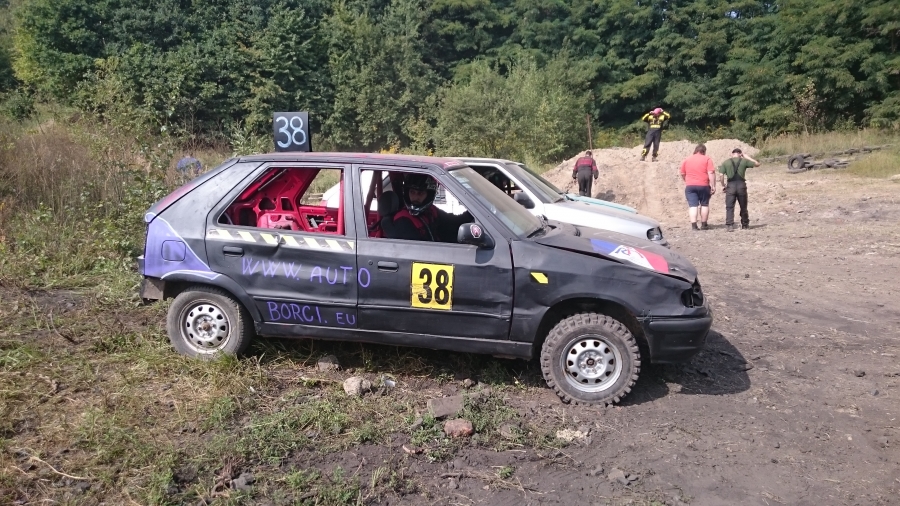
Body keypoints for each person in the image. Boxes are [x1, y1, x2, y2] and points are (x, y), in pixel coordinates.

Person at [390, 173, 473, 242]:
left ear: (429, 195)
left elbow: (452, 222)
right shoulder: (403, 219)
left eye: (420, 193)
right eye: (412, 192)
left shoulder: (431, 211)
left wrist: (473, 212)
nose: (415, 197)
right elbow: (418, 249)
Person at [718, 148, 760, 231]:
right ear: (740, 154)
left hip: (730, 186)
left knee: (729, 206)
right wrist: (747, 157)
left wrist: (723, 185)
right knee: (743, 206)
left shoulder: (726, 162)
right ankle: (745, 224)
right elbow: (757, 164)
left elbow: (721, 175)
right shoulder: (744, 161)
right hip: (741, 185)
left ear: (732, 154)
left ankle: (729, 225)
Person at [679, 144, 716, 230]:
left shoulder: (687, 159)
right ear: (704, 151)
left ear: (695, 150)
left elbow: (682, 173)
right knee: (704, 205)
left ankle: (694, 225)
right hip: (704, 185)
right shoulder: (707, 159)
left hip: (690, 186)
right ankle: (704, 225)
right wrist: (713, 185)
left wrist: (687, 180)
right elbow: (711, 172)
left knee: (693, 206)